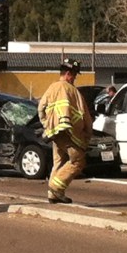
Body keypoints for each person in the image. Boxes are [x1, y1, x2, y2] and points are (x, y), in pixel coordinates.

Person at [37, 58, 93, 204]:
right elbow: (83, 114)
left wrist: (47, 125)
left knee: (59, 161)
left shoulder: (51, 88)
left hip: (55, 133)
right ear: (68, 73)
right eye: (74, 75)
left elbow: (41, 108)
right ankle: (56, 186)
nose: (74, 78)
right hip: (70, 134)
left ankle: (53, 195)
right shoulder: (71, 90)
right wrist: (87, 132)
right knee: (78, 161)